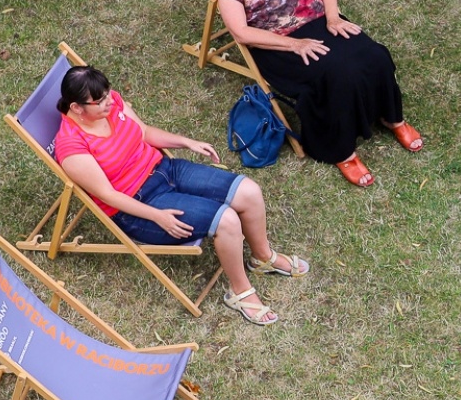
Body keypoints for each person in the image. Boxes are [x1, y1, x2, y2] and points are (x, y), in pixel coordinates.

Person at [52, 64, 309, 327]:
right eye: (99, 101)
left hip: (165, 169)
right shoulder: (71, 147)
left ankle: (262, 257)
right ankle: (240, 291)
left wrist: (186, 142)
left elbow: (143, 132)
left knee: (249, 191)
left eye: (107, 94)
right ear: (76, 108)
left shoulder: (111, 101)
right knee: (227, 221)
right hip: (140, 204)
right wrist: (157, 216)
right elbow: (108, 196)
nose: (109, 101)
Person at [207, 0, 422, 188]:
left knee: (375, 55)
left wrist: (333, 17)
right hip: (277, 42)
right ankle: (341, 150)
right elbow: (241, 33)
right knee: (334, 74)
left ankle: (391, 118)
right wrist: (295, 44)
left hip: (321, 21)